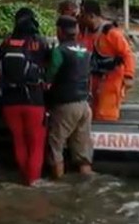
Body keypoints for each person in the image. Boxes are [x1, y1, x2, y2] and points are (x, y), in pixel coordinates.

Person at [0, 8, 49, 186]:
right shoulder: (40, 42)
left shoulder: (6, 43)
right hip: (34, 99)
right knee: (36, 143)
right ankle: (33, 182)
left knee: (19, 141)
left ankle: (23, 177)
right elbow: (50, 67)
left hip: (10, 101)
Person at [45, 16, 93, 179]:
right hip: (84, 106)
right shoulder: (86, 50)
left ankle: (58, 185)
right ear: (77, 31)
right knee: (82, 153)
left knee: (55, 147)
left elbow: (49, 76)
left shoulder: (59, 51)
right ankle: (86, 181)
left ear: (59, 31)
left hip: (65, 105)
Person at [78, 0, 135, 121]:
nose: (79, 18)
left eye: (82, 15)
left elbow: (127, 54)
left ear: (91, 16)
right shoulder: (84, 33)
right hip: (92, 79)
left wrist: (129, 76)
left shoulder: (111, 33)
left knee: (105, 113)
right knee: (90, 110)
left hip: (111, 79)